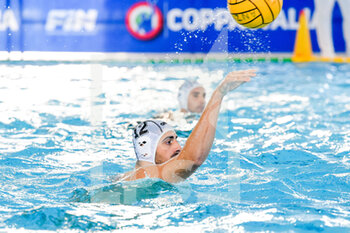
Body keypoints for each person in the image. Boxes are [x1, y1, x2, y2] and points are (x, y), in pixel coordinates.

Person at [120, 69, 256, 183]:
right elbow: (193, 159)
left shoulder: (129, 177)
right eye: (168, 142)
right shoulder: (148, 175)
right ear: (147, 150)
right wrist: (219, 94)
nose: (178, 147)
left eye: (175, 140)